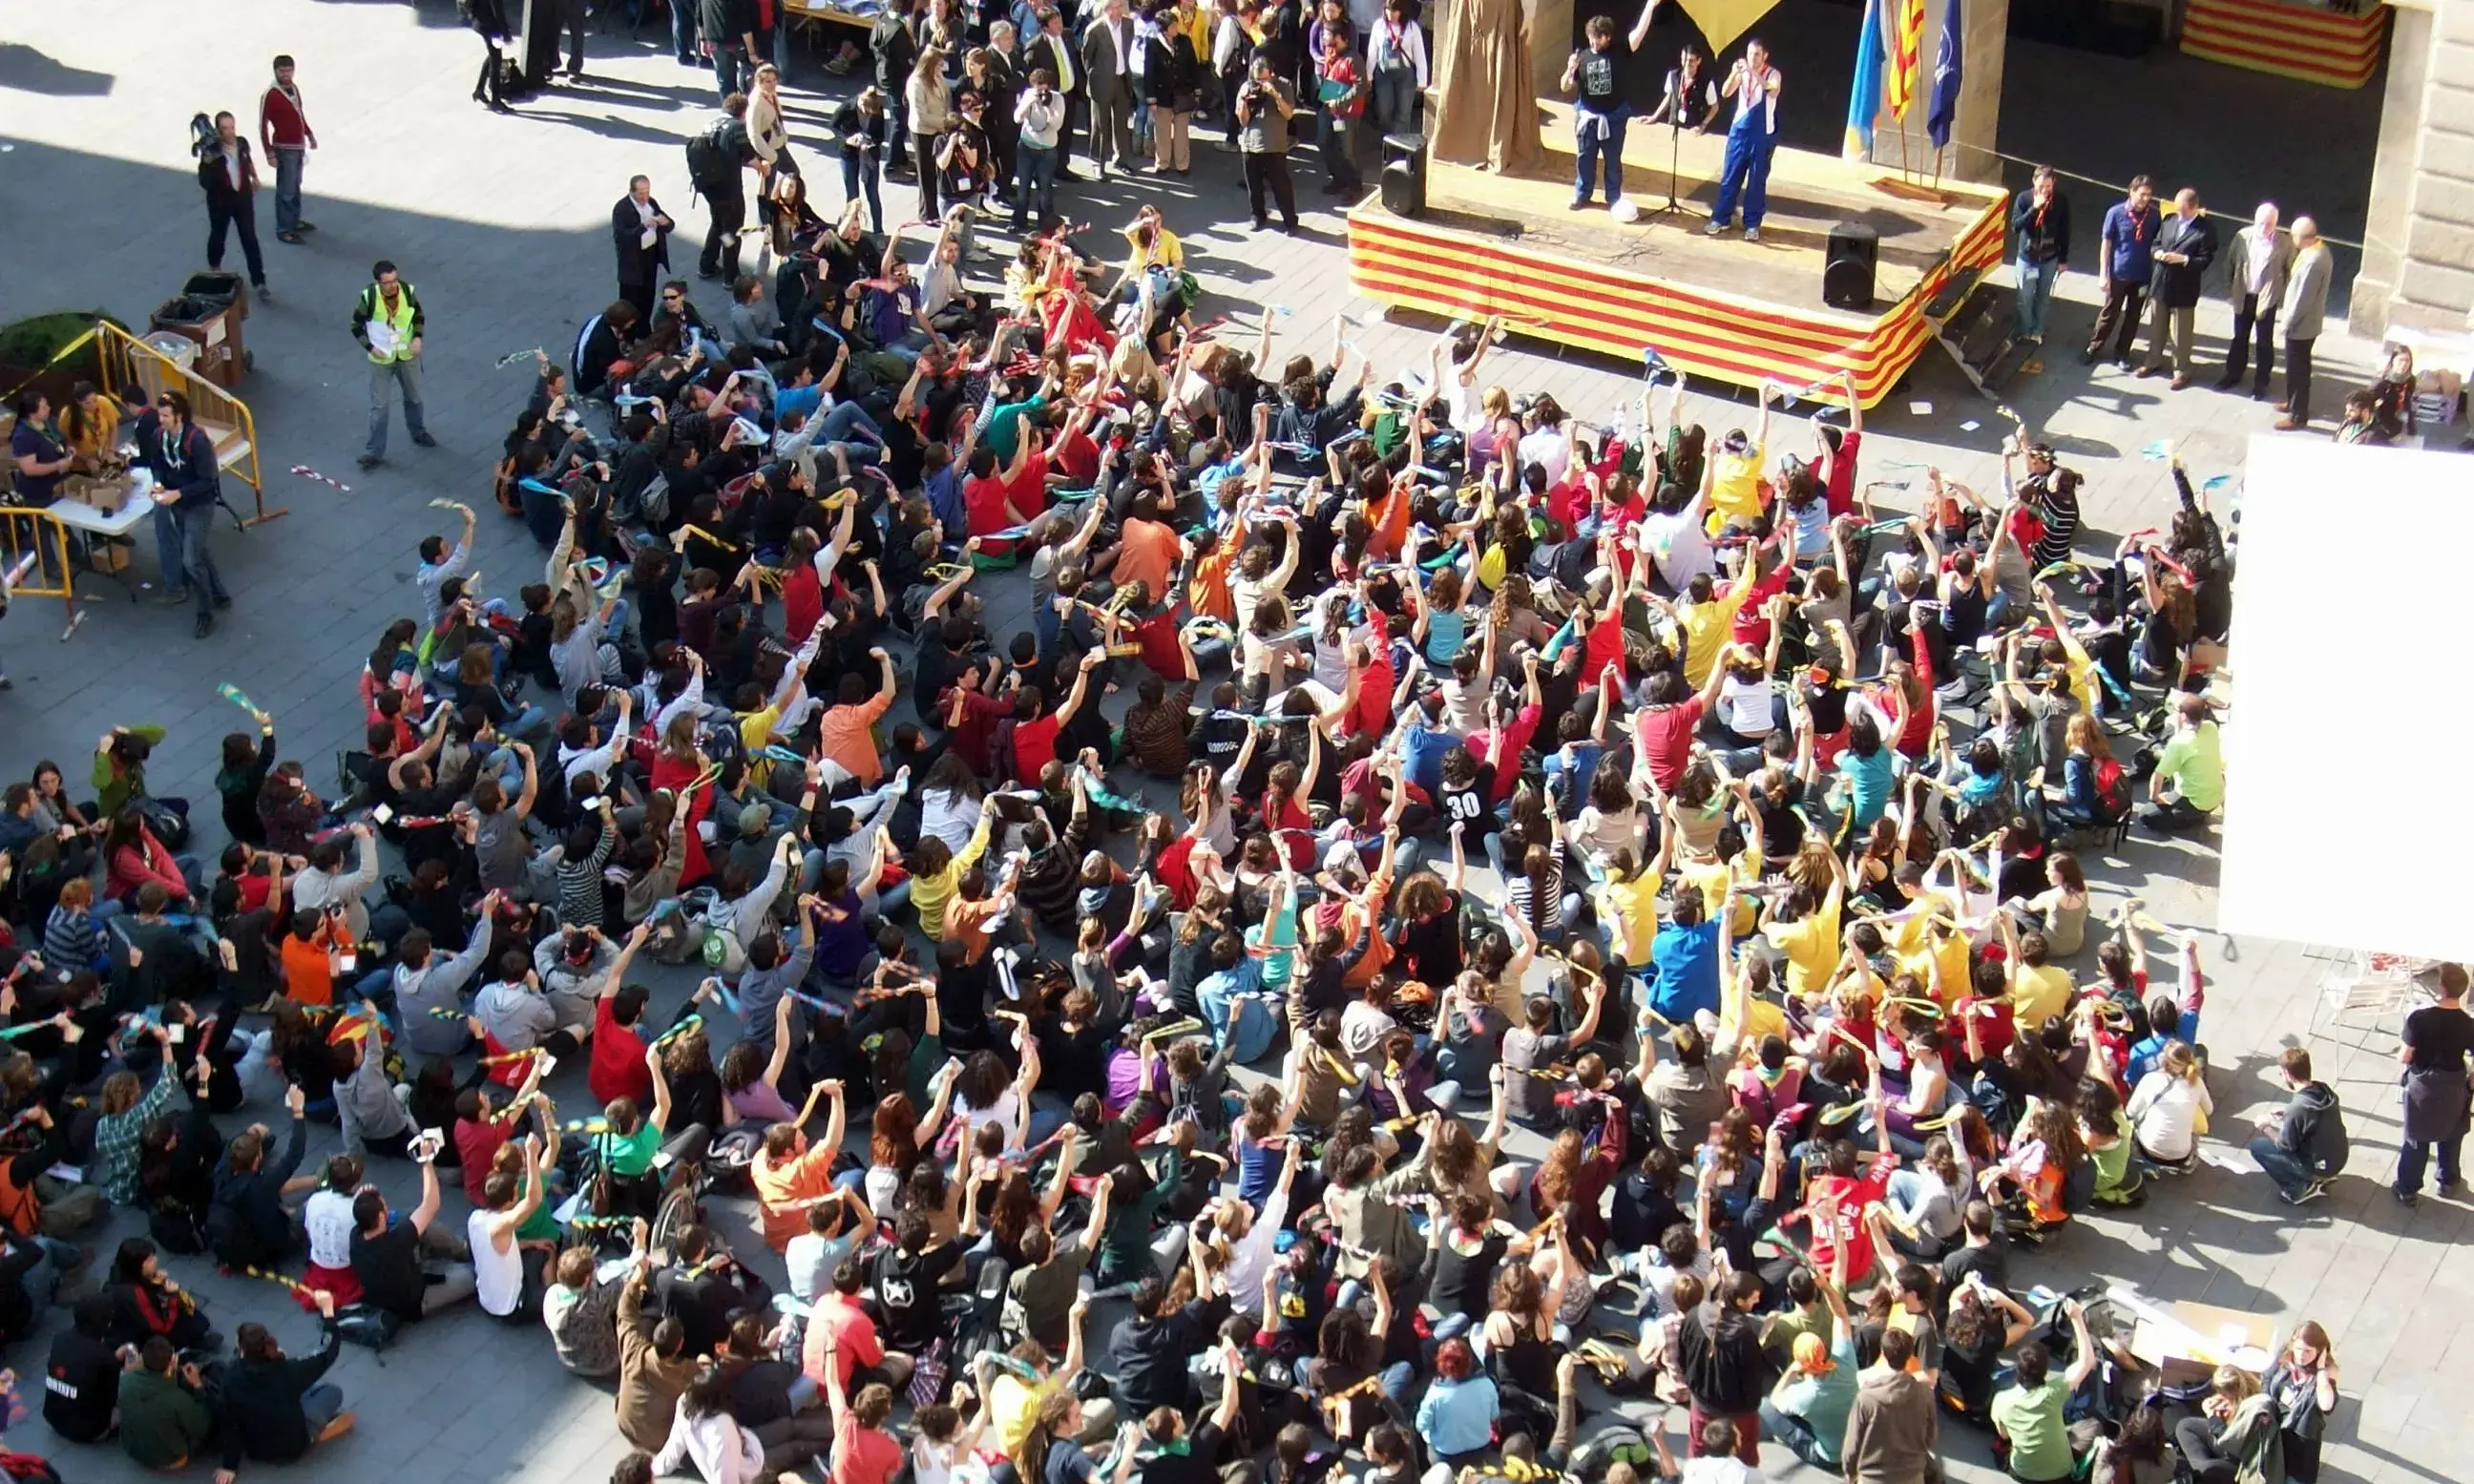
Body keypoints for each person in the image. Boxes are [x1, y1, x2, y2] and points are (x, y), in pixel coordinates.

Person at [216, 1291, 355, 1479]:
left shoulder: (230, 1378)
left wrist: (229, 1466)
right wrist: (328, 1312)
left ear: (241, 1349)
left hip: (256, 1449)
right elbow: (327, 1352)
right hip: (293, 1445)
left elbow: (229, 1424)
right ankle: (317, 1435)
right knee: (331, 1392)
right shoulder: (288, 1371)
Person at [134, 389, 235, 638]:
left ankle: (205, 614)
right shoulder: (159, 437)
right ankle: (219, 593)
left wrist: (177, 493)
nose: (161, 420)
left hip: (199, 504)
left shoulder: (197, 441)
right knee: (197, 550)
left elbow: (208, 481)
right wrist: (158, 485)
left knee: (190, 559)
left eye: (166, 415)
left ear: (179, 416)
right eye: (160, 414)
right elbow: (156, 465)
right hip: (177, 504)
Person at [1560, 0, 1659, 214]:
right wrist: (1570, 70)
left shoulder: (1619, 51)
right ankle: (1582, 193)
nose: (1594, 41)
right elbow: (1565, 85)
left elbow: (1638, 34)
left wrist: (1650, 6)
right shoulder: (1582, 57)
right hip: (1588, 117)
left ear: (1608, 37)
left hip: (1613, 117)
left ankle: (1613, 197)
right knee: (1585, 157)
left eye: (1599, 37)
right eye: (1591, 37)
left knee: (1613, 160)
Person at [1989, 1301, 2097, 1481]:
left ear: (2018, 1369)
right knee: (2092, 1426)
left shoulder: (2001, 1400)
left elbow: (2004, 1435)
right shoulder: (2054, 1391)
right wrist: (2077, 1317)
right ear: (2045, 1371)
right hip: (2061, 1474)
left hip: (2023, 1473)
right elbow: (2086, 1362)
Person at [2395, 962, 2471, 1205]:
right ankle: (2447, 1181)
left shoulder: (2419, 1019)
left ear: (2441, 987)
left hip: (2422, 1087)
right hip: (2454, 1085)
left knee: (2416, 1138)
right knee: (2452, 1135)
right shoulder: (2469, 1024)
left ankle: (2408, 1188)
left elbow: (2404, 1056)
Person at [352, 260, 433, 470]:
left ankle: (418, 431)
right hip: (382, 358)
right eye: (387, 283)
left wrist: (417, 338)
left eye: (394, 280)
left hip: (406, 354)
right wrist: (370, 348)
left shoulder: (407, 291)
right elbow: (356, 326)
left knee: (414, 397)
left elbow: (418, 315)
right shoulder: (369, 298)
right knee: (379, 407)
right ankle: (374, 452)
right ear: (378, 283)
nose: (392, 286)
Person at [2136, 187, 2218, 388]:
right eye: (2178, 209)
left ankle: (2181, 369)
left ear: (2194, 208)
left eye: (2184, 210)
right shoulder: (2169, 221)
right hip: (2161, 282)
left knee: (2181, 332)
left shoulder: (2205, 229)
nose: (2179, 214)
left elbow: (2205, 259)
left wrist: (2184, 259)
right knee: (2156, 327)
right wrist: (2157, 254)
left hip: (2184, 287)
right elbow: (2155, 244)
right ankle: (2153, 361)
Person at [1706, 38, 1781, 242]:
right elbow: (1725, 92)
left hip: (1761, 134)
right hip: (1739, 130)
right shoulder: (1743, 72)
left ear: (1765, 56)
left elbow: (1772, 90)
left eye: (1757, 54)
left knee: (1757, 180)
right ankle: (1721, 218)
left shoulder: (1773, 74)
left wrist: (1753, 71)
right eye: (1749, 54)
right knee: (1730, 176)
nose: (1752, 58)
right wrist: (1734, 73)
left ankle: (1752, 224)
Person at [2249, 1047, 2347, 1205]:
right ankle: (2324, 1175)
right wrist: (2288, 1113)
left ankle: (2298, 1189)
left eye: (2281, 1072)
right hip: (2338, 1158)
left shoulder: (2298, 1108)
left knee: (2258, 1147)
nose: (2281, 1075)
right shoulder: (2325, 1091)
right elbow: (2313, 1117)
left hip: (2316, 1166)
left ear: (2288, 1074)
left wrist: (2265, 1127)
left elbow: (2285, 1145)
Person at [1840, 1327, 1938, 1484]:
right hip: (1912, 1476)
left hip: (1873, 1478)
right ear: (1910, 1356)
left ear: (1883, 1354)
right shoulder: (1925, 1393)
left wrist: (1850, 1474)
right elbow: (1930, 1437)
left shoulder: (1866, 1398)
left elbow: (1852, 1446)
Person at [2083, 175, 2158, 366]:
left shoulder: (2154, 215)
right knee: (2110, 312)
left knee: (2134, 316)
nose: (2146, 199)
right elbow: (2106, 244)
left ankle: (2122, 352)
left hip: (2142, 275)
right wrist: (2103, 274)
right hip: (2119, 273)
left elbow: (2158, 243)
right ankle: (2094, 345)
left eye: (2149, 195)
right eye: (2142, 194)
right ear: (2131, 192)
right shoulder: (2115, 213)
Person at [2215, 201, 2290, 397]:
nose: (2264, 228)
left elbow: (2291, 271)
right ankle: (2233, 374)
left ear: (2276, 223)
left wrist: (2281, 295)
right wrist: (2229, 292)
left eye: (2269, 224)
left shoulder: (2284, 243)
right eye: (2261, 223)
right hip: (2243, 294)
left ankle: (2261, 382)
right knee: (2240, 336)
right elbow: (2229, 263)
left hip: (2266, 298)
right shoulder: (2243, 237)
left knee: (2264, 341)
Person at [197, 111, 270, 298]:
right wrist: (210, 169)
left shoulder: (242, 143)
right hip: (221, 202)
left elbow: (247, 159)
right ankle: (215, 268)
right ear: (218, 130)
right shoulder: (212, 152)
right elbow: (204, 181)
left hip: (242, 198)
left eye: (232, 128)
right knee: (218, 235)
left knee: (250, 238)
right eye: (224, 129)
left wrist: (254, 177)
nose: (229, 133)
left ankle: (259, 280)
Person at [688, 94, 759, 282]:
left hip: (710, 188)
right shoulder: (737, 127)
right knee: (731, 232)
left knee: (717, 224)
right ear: (743, 112)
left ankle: (706, 265)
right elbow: (751, 158)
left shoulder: (711, 123)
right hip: (729, 191)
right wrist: (764, 167)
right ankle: (731, 275)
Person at [118, 1337, 218, 1471]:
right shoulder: (178, 1398)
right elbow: (201, 1427)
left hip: (132, 1450)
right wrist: (198, 1386)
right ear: (172, 1362)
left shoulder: (125, 1380)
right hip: (170, 1459)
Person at [2175, 1365, 2285, 1484]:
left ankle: (2200, 1472)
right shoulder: (2236, 1400)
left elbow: (2231, 1442)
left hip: (2242, 1461)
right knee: (2186, 1426)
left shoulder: (2253, 1410)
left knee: (2210, 1468)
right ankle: (2199, 1469)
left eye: (2223, 1393)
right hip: (2227, 1444)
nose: (2221, 1395)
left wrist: (2212, 1417)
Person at [2275, 216, 2331, 431]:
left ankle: (2298, 415)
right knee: (2294, 367)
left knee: (2298, 370)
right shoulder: (2316, 250)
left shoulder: (2314, 261)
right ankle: (2292, 402)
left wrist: (2286, 324)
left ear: (2302, 237)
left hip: (2302, 326)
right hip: (2304, 323)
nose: (2291, 238)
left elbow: (2303, 299)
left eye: (2293, 235)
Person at [1235, 55, 1300, 235]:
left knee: (1281, 187)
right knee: (1254, 186)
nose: (1260, 83)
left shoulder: (1284, 85)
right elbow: (1243, 121)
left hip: (1274, 145)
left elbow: (1288, 115)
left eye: (1264, 79)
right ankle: (1257, 215)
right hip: (1250, 145)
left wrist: (1275, 95)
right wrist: (1244, 103)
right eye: (1257, 79)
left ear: (1272, 74)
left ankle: (1290, 220)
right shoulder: (1246, 87)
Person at [2140, 694, 2222, 833]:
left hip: (2195, 802)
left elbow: (2157, 778)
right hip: (2216, 795)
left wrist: (2155, 799)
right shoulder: (2211, 727)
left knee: (2146, 814)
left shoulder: (2179, 744)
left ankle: (2189, 818)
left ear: (2183, 716)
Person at [258, 54, 317, 244]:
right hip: (284, 148)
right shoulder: (271, 94)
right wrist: (269, 153)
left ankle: (294, 220)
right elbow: (262, 125)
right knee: (286, 189)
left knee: (295, 185)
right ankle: (284, 229)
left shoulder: (294, 88)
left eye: (289, 70)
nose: (286, 74)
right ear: (275, 71)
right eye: (282, 71)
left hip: (298, 146)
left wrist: (308, 133)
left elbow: (299, 114)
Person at [2010, 165, 2069, 345]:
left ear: (2054, 184)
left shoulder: (2060, 201)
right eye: (2041, 186)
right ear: (2033, 182)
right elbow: (2015, 226)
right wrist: (2034, 209)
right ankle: (2025, 329)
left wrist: (2063, 260)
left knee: (2043, 297)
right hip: (2028, 257)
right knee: (2024, 297)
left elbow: (2065, 231)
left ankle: (2037, 330)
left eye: (2049, 186)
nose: (2045, 190)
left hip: (2049, 258)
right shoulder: (2024, 199)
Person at [1080, 0, 1139, 178]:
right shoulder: (1095, 29)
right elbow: (1087, 58)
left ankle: (1121, 160)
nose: (1118, 10)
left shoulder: (1128, 25)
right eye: (1113, 7)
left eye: (1120, 6)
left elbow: (1126, 50)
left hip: (1121, 80)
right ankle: (1097, 162)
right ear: (1105, 9)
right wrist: (1097, 76)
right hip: (1101, 82)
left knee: (1121, 122)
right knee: (1100, 125)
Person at [613, 176, 677, 322]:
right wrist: (642, 227)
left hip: (650, 257)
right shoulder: (622, 209)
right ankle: (628, 335)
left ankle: (644, 328)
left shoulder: (651, 203)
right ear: (632, 192)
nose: (644, 197)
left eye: (647, 192)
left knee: (648, 297)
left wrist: (665, 222)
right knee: (630, 302)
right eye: (641, 193)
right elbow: (622, 238)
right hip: (632, 262)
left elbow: (669, 224)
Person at [1015, 67, 1065, 230]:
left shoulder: (1057, 99)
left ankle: (1045, 225)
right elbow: (1017, 118)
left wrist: (1048, 107)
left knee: (1045, 188)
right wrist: (1030, 101)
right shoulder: (1029, 94)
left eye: (1044, 89)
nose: (1041, 93)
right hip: (1026, 146)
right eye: (1038, 88)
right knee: (1023, 186)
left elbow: (1057, 125)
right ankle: (1018, 220)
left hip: (1047, 150)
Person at [468, 0, 514, 112]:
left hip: (482, 22)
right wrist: (506, 34)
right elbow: (497, 11)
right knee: (496, 61)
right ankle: (495, 100)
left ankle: (479, 90)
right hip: (490, 26)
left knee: (493, 56)